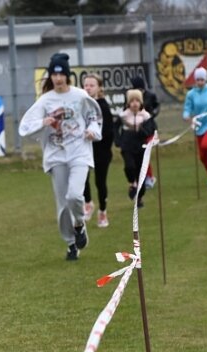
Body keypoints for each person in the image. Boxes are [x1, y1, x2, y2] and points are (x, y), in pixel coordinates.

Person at [18, 53, 101, 261]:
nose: (57, 78)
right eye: (54, 75)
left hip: (79, 152)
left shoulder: (81, 96)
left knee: (74, 195)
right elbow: (25, 127)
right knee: (63, 205)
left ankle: (80, 224)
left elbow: (94, 117)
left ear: (67, 75)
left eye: (61, 74)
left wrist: (92, 131)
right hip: (56, 156)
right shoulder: (45, 100)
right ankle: (72, 243)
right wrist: (43, 122)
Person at [114, 89, 155, 208]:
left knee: (140, 173)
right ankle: (132, 183)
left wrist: (139, 129)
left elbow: (149, 130)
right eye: (132, 101)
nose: (135, 103)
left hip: (141, 146)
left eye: (137, 100)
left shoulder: (146, 116)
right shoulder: (123, 116)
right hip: (127, 145)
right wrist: (118, 141)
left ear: (141, 102)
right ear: (128, 103)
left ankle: (139, 197)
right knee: (129, 166)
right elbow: (115, 128)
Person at [82, 73, 114, 228]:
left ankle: (103, 212)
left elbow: (108, 131)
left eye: (91, 85)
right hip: (84, 149)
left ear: (99, 88)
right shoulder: (81, 104)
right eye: (86, 85)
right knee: (82, 179)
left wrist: (94, 136)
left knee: (100, 182)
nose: (88, 88)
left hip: (101, 151)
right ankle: (88, 203)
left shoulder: (102, 105)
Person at [130, 76, 160, 189]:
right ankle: (145, 177)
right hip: (137, 130)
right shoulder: (132, 97)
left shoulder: (150, 96)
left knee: (145, 153)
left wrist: (150, 116)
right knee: (140, 155)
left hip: (149, 129)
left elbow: (157, 107)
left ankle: (149, 178)